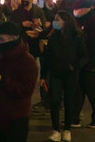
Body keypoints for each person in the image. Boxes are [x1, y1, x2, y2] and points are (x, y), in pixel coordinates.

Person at [0, 21, 38, 142]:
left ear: (14, 39)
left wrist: (1, 80)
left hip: (17, 117)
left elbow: (26, 90)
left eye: (1, 39)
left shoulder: (28, 61)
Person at [40, 11, 89, 142]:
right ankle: (55, 130)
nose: (55, 22)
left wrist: (75, 66)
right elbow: (46, 58)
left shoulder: (76, 37)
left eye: (58, 20)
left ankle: (67, 129)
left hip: (70, 75)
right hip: (55, 74)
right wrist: (43, 76)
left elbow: (84, 56)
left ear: (66, 22)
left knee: (68, 102)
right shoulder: (53, 37)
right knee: (54, 101)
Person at [71, 0, 95, 128]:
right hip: (80, 63)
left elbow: (91, 44)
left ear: (86, 9)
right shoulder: (79, 20)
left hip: (90, 64)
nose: (75, 12)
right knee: (78, 92)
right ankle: (75, 118)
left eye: (77, 9)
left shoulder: (92, 21)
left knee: (92, 92)